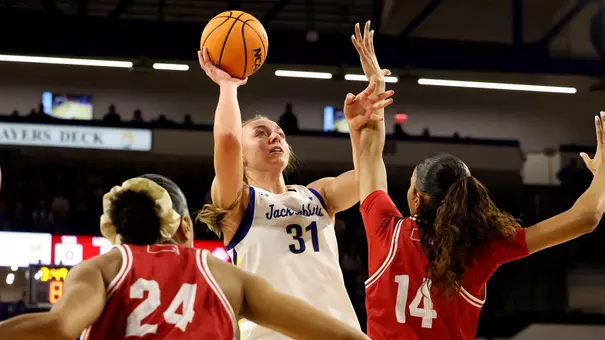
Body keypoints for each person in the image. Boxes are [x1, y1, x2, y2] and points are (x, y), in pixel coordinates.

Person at [350, 23, 605, 340]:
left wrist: (376, 84)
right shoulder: (481, 251)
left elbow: (371, 154)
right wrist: (603, 175)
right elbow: (587, 217)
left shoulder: (386, 231)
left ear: (417, 198)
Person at [196, 21, 394, 339]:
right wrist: (228, 86)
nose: (275, 137)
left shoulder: (319, 194)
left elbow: (373, 180)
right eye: (261, 133)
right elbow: (228, 142)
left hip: (338, 331)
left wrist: (366, 113)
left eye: (280, 134)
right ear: (243, 157)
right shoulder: (238, 202)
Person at [0, 174, 371, 340]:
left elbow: (59, 328)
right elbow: (340, 337)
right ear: (184, 228)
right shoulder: (223, 275)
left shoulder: (103, 266)